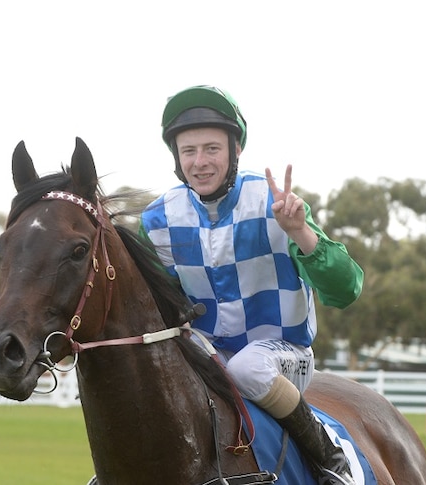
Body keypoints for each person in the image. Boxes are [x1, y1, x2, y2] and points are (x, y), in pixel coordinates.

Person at [139, 85, 364, 485]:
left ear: (235, 150)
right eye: (188, 151)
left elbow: (345, 290)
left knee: (247, 366)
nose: (200, 162)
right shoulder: (158, 220)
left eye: (211, 149)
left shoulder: (271, 203)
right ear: (176, 158)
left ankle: (329, 458)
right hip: (208, 357)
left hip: (283, 356)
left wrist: (301, 233)